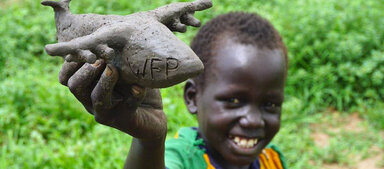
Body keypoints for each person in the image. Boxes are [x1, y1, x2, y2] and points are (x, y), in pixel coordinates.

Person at [55, 12, 288, 169]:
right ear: (192, 97)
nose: (253, 121)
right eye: (234, 100)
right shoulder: (181, 158)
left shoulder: (272, 159)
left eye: (270, 105)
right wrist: (149, 141)